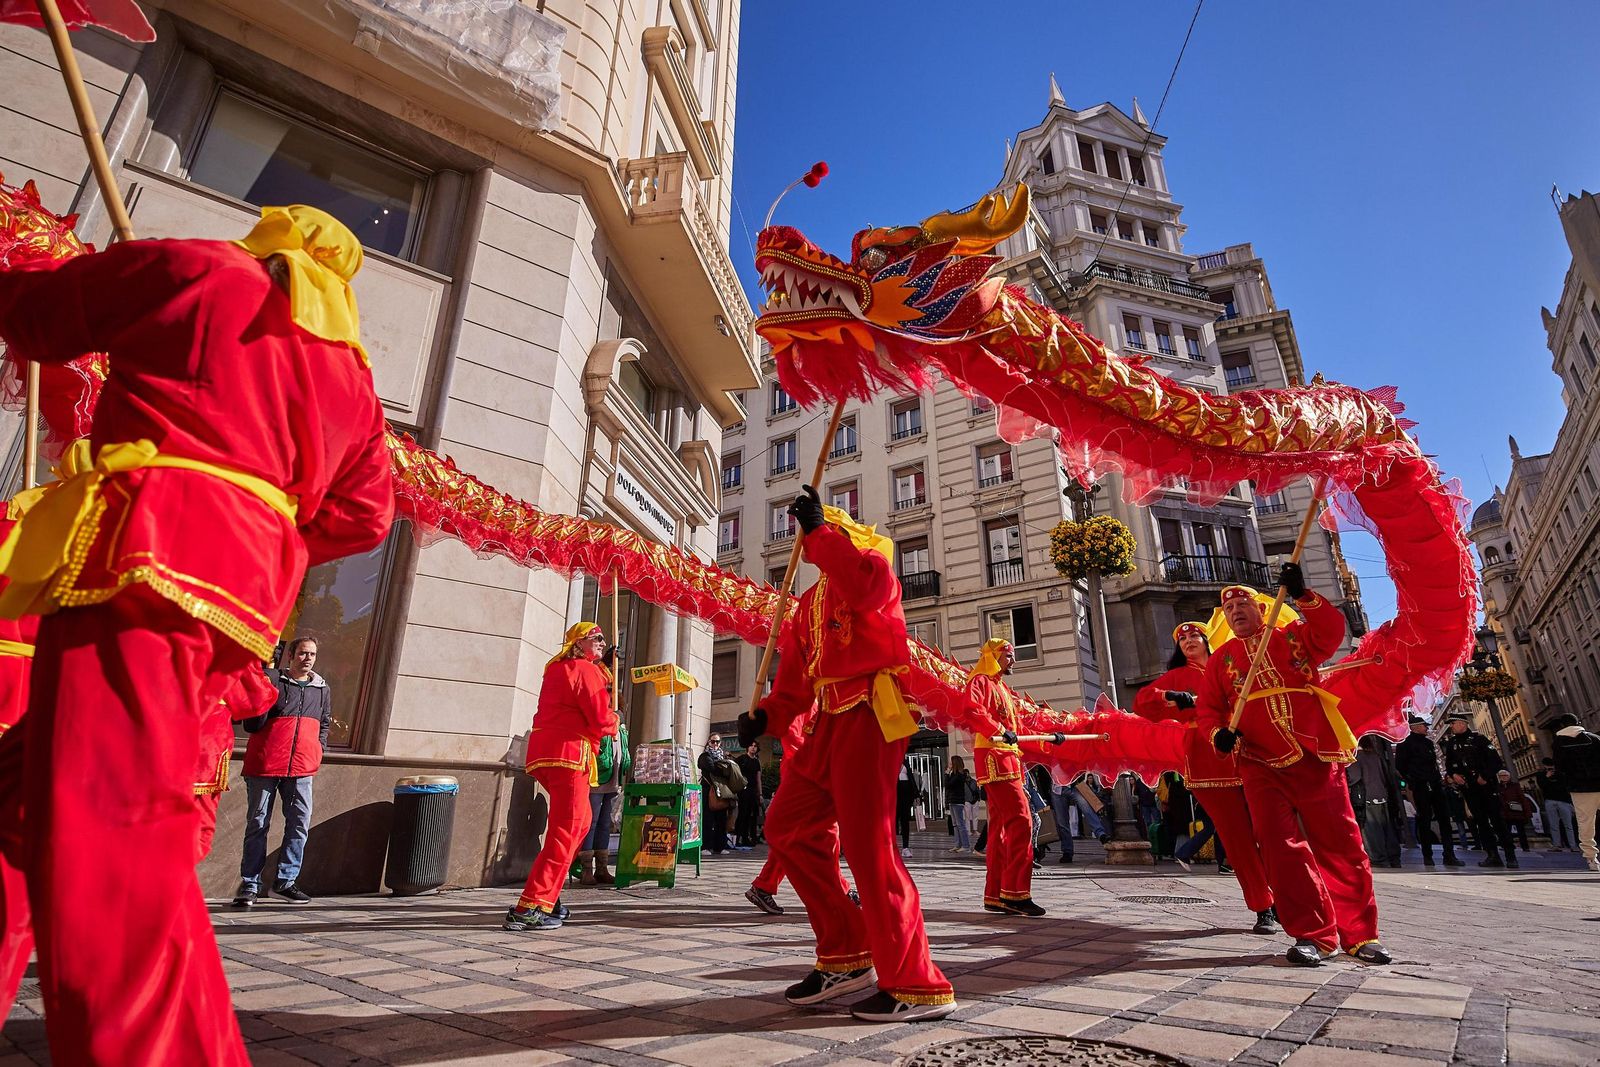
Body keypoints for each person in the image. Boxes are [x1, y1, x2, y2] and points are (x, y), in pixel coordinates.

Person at [0, 205, 393, 1065]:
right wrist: (268, 525)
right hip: (240, 597)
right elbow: (366, 514)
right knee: (35, 807)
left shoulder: (202, 268)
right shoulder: (353, 378)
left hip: (146, 561)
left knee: (107, 842)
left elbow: (37, 319)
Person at [738, 486, 956, 1022]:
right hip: (826, 724)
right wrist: (766, 716)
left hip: (870, 715)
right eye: (812, 533)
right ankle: (846, 952)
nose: (811, 543)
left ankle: (917, 982)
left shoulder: (875, 570)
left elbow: (863, 592)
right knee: (786, 827)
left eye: (824, 532)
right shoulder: (806, 605)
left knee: (869, 850)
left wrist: (821, 533)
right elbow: (795, 686)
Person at [1197, 568, 1389, 967]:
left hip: (1315, 752)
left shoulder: (1293, 637)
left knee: (1340, 842)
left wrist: (1303, 595)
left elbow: (1330, 632)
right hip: (1258, 762)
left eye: (1243, 604)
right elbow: (1209, 710)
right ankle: (1313, 935)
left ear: (1262, 608)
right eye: (1229, 609)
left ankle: (1360, 934)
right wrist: (1218, 734)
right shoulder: (1221, 661)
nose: (1236, 611)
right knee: (1280, 849)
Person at [1133, 620, 1278, 933]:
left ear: (1207, 639)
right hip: (1206, 760)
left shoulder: (1226, 664)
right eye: (1182, 638)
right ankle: (1263, 906)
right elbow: (1143, 701)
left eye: (1194, 635)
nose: (1188, 641)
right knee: (1236, 838)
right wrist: (1169, 695)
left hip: (1248, 752)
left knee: (1271, 829)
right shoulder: (1177, 675)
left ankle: (1282, 895)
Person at [504, 622, 618, 932]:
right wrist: (615, 719)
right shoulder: (584, 670)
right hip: (570, 754)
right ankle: (530, 906)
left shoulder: (559, 668)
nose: (602, 642)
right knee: (567, 829)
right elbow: (599, 717)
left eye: (603, 639)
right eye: (596, 638)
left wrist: (604, 671)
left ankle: (549, 897)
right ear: (579, 643)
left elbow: (575, 695)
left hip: (547, 753)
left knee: (580, 823)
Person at [966, 637, 1064, 918]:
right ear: (994, 656)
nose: (1013, 660)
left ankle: (996, 894)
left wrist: (1050, 738)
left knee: (999, 829)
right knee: (1022, 821)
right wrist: (998, 729)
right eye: (1008, 655)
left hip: (1008, 759)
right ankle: (1016, 893)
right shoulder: (980, 681)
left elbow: (1018, 729)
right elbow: (972, 710)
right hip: (996, 759)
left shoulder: (1002, 688)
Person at [232, 638, 332, 906]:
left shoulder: (322, 689)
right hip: (265, 765)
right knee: (257, 824)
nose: (308, 658)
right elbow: (253, 722)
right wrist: (263, 681)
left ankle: (285, 882)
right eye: (303, 653)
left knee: (299, 824)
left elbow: (324, 722)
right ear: (290, 655)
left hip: (302, 767)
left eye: (312, 654)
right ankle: (250, 884)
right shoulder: (273, 680)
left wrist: (318, 749)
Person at [747, 706, 856, 916]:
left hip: (812, 773)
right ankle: (840, 891)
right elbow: (792, 738)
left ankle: (764, 885)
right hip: (806, 775)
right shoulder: (805, 698)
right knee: (826, 834)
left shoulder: (820, 698)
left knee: (799, 837)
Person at [1439, 714, 1517, 868]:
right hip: (1469, 788)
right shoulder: (1452, 743)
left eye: (1453, 723)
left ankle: (1510, 856)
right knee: (1481, 823)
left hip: (1486, 787)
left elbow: (1496, 761)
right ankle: (1492, 855)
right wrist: (1454, 775)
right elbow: (1449, 765)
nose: (1451, 726)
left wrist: (1485, 776)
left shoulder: (1479, 740)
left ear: (1463, 724)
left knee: (1497, 821)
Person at [579, 657, 628, 886]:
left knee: (605, 824)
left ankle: (602, 867)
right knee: (592, 822)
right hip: (597, 780)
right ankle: (586, 869)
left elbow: (623, 753)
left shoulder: (620, 726)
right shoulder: (598, 721)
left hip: (613, 781)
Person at [1393, 714, 1463, 867]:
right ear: (1415, 728)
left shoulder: (1428, 743)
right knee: (1424, 820)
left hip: (1435, 783)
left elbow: (1435, 764)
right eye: (1424, 726)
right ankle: (1428, 855)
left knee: (1444, 819)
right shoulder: (1405, 744)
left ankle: (1449, 854)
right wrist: (1413, 779)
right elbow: (1400, 766)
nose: (1426, 728)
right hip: (1421, 785)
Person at [1550, 712, 1600, 871]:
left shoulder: (1558, 743)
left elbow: (1560, 767)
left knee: (1585, 823)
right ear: (1578, 723)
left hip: (1579, 788)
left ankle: (1591, 858)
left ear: (1561, 726)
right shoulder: (1594, 738)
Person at [1346, 736, 1403, 868]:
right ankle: (1394, 857)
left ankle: (1378, 858)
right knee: (1387, 827)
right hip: (1382, 795)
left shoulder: (1356, 758)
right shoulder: (1376, 756)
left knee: (1371, 830)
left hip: (1367, 797)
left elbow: (1354, 777)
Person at [699, 734, 739, 855]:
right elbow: (713, 769)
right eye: (713, 741)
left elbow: (730, 770)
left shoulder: (723, 756)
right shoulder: (705, 756)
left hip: (721, 791)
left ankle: (719, 846)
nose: (715, 744)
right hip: (709, 790)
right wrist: (724, 767)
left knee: (721, 819)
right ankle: (705, 846)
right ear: (708, 742)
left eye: (717, 742)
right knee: (707, 819)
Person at [1537, 757, 1578, 853]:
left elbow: (1565, 786)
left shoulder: (1560, 774)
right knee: (1553, 824)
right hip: (1550, 800)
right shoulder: (1541, 775)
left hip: (1563, 801)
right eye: (1547, 767)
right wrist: (1546, 777)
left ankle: (1573, 845)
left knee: (1568, 825)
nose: (1550, 768)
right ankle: (1556, 845)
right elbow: (1542, 786)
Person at [944, 755, 976, 853]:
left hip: (957, 801)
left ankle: (966, 845)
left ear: (955, 764)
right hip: (952, 801)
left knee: (960, 824)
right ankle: (958, 844)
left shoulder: (958, 775)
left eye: (951, 762)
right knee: (955, 824)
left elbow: (948, 785)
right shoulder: (954, 774)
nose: (949, 764)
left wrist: (947, 774)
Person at [1496, 770, 1533, 853]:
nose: (1503, 777)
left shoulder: (1515, 786)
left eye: (1505, 775)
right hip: (1505, 812)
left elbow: (1522, 799)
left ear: (1509, 777)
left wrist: (1527, 812)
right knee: (1506, 831)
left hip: (1516, 811)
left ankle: (1525, 847)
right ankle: (1508, 845)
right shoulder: (1498, 787)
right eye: (1501, 776)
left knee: (1521, 831)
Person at [736, 742, 764, 846]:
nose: (753, 748)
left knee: (751, 815)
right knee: (742, 813)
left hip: (753, 790)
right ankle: (738, 837)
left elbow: (758, 778)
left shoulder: (757, 762)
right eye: (751, 745)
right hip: (742, 790)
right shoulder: (741, 759)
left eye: (755, 746)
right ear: (747, 747)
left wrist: (760, 794)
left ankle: (746, 838)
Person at [896, 755, 923, 856]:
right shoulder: (889, 761)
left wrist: (916, 794)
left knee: (905, 821)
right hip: (895, 793)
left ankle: (905, 847)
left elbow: (911, 778)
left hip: (906, 793)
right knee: (893, 821)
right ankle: (892, 847)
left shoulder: (905, 762)